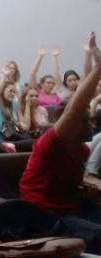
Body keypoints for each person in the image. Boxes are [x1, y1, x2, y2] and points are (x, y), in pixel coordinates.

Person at [20, 33, 101, 254]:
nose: (92, 123)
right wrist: (97, 68)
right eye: (86, 120)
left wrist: (87, 189)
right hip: (45, 215)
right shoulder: (51, 143)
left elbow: (69, 186)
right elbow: (75, 110)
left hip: (71, 209)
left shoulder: (82, 149)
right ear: (71, 123)